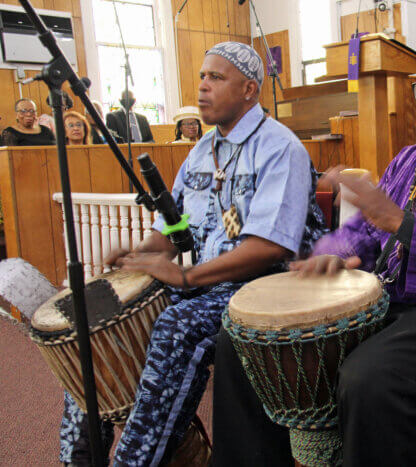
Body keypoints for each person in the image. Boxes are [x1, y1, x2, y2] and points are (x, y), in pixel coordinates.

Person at [211, 41, 416, 466]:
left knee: (371, 378)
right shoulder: (411, 159)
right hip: (396, 306)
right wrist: (333, 255)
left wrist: (404, 225)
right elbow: (362, 234)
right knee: (245, 342)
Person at [58, 42, 327, 466]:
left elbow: (269, 247)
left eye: (216, 78)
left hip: (272, 286)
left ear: (249, 90)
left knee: (176, 323)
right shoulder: (202, 150)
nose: (202, 87)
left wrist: (184, 278)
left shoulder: (281, 148)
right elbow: (177, 224)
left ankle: (136, 460)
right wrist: (140, 254)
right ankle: (78, 457)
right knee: (97, 318)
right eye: (202, 76)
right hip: (210, 284)